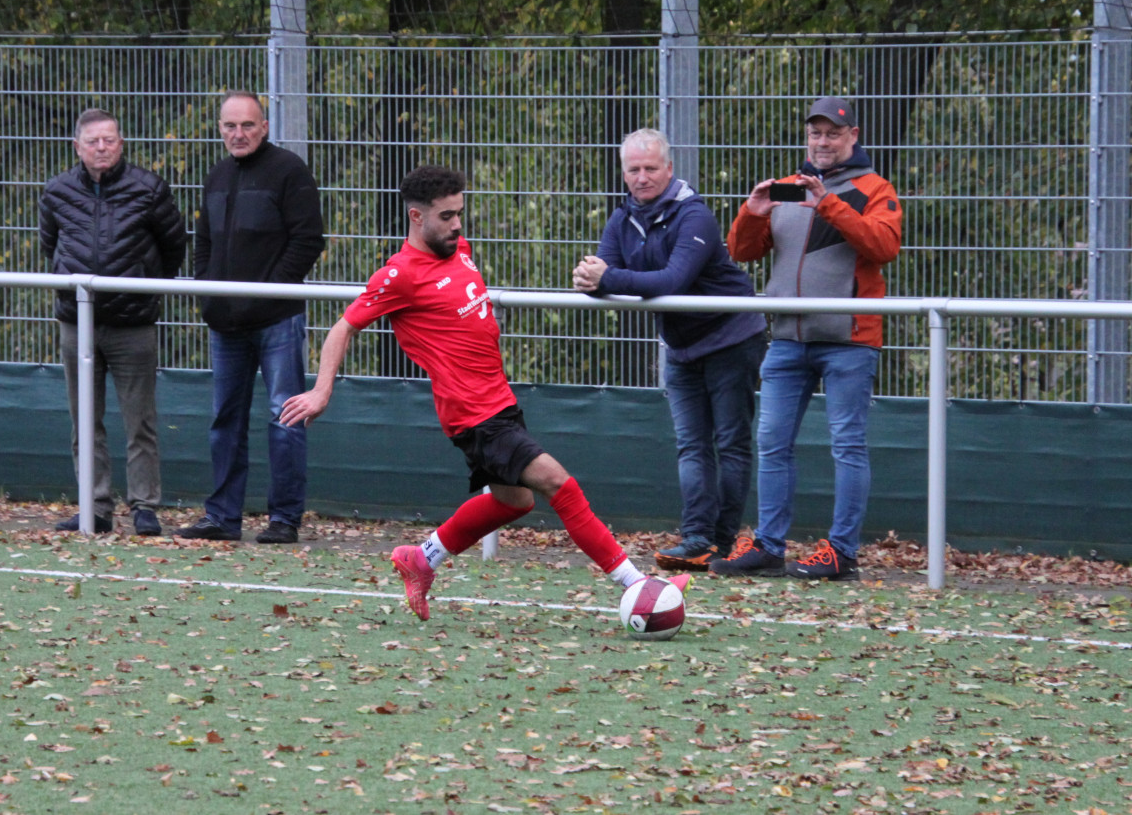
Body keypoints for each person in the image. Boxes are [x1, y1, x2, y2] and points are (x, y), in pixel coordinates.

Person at [280, 165, 689, 620]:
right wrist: (321, 391)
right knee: (559, 484)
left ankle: (421, 559)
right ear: (416, 217)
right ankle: (638, 584)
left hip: (500, 403)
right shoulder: (399, 275)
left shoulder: (459, 250)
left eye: (460, 213)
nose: (457, 224)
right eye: (446, 216)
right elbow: (343, 328)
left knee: (516, 501)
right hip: (474, 417)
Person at [716, 96, 902, 581]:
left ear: (852, 136)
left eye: (833, 134)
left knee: (848, 445)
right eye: (815, 133)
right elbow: (741, 251)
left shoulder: (875, 189)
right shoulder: (788, 188)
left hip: (849, 340)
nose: (823, 142)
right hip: (787, 340)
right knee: (771, 443)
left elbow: (884, 246)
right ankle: (768, 547)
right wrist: (753, 211)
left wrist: (829, 204)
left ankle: (842, 553)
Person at [573, 128, 767, 572]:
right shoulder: (622, 218)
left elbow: (671, 282)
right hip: (681, 347)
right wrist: (591, 278)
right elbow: (603, 273)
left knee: (730, 443)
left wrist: (606, 278)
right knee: (691, 445)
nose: (642, 178)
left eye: (650, 168)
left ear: (669, 169)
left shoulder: (694, 215)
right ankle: (696, 539)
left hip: (733, 338)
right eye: (633, 170)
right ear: (624, 173)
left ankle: (721, 541)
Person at [177, 90, 326, 545]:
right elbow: (203, 242)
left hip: (277, 321)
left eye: (247, 125)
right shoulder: (216, 176)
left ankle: (284, 519)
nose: (238, 134)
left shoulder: (290, 171)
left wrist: (268, 292)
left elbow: (308, 239)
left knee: (285, 417)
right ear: (220, 130)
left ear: (264, 126)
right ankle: (222, 517)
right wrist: (207, 291)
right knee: (225, 419)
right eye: (230, 126)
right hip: (224, 324)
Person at [39, 108, 186, 536]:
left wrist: (143, 289)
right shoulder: (57, 192)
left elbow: (173, 247)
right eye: (93, 141)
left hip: (133, 324)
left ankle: (144, 506)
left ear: (121, 143)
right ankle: (95, 507)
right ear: (77, 147)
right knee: (84, 420)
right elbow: (51, 246)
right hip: (76, 323)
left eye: (109, 140)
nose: (102, 148)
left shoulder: (149, 189)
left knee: (141, 421)